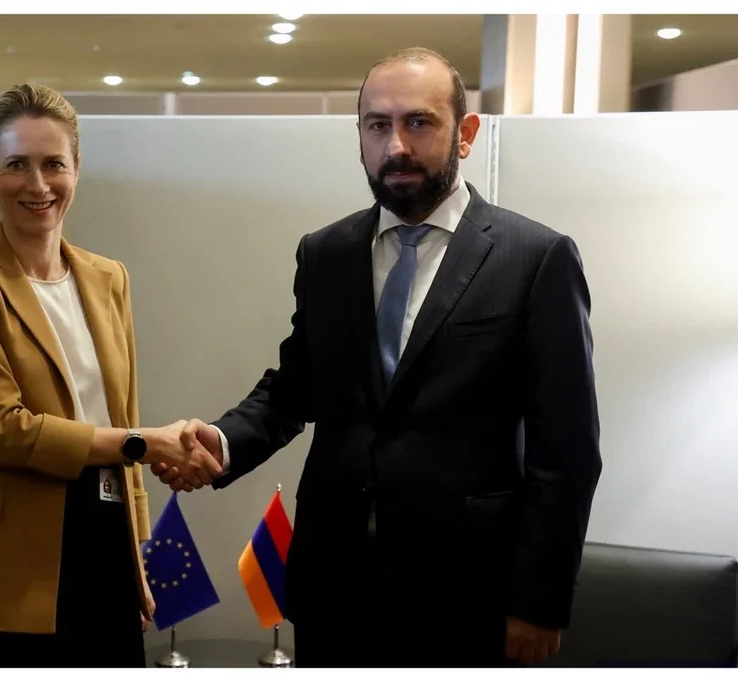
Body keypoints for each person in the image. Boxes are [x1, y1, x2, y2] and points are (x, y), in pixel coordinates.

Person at [155, 47, 602, 667]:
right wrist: (223, 442)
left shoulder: (536, 259)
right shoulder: (327, 253)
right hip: (335, 589)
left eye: (419, 122)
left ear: (466, 133)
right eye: (377, 125)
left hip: (468, 596)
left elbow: (567, 451)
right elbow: (297, 387)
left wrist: (540, 601)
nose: (396, 146)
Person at [0, 83, 221, 668]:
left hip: (104, 536)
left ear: (77, 169)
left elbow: (121, 411)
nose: (38, 184)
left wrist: (135, 550)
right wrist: (144, 443)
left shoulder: (108, 277)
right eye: (16, 164)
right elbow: (6, 430)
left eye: (54, 164)